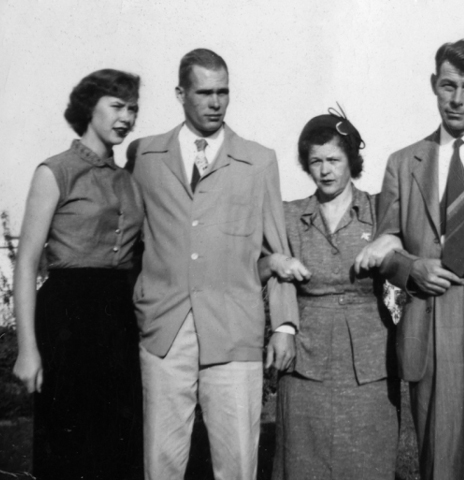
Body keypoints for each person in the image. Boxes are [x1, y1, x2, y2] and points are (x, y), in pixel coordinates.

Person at [355, 39, 464, 480]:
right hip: (432, 321)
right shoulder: (402, 163)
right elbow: (386, 242)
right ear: (433, 84)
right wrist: (412, 268)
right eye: (448, 85)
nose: (456, 99)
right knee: (437, 461)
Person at [126, 48, 299, 480]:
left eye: (224, 91)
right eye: (205, 93)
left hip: (234, 328)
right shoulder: (145, 158)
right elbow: (128, 242)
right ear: (180, 93)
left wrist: (282, 325)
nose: (216, 102)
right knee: (161, 461)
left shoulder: (259, 160)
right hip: (165, 329)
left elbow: (275, 249)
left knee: (237, 462)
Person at [12, 69, 143, 480]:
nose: (127, 116)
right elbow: (26, 264)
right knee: (68, 441)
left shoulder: (129, 180)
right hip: (66, 316)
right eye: (117, 106)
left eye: (133, 108)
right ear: (90, 107)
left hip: (118, 316)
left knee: (117, 440)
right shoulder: (55, 171)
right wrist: (27, 349)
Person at [259, 111, 401, 480]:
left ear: (351, 160)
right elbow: (250, 264)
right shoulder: (290, 216)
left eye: (334, 159)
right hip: (306, 357)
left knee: (368, 462)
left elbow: (414, 242)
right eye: (316, 161)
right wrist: (274, 260)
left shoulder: (380, 208)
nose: (325, 170)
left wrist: (391, 239)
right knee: (303, 462)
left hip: (370, 360)